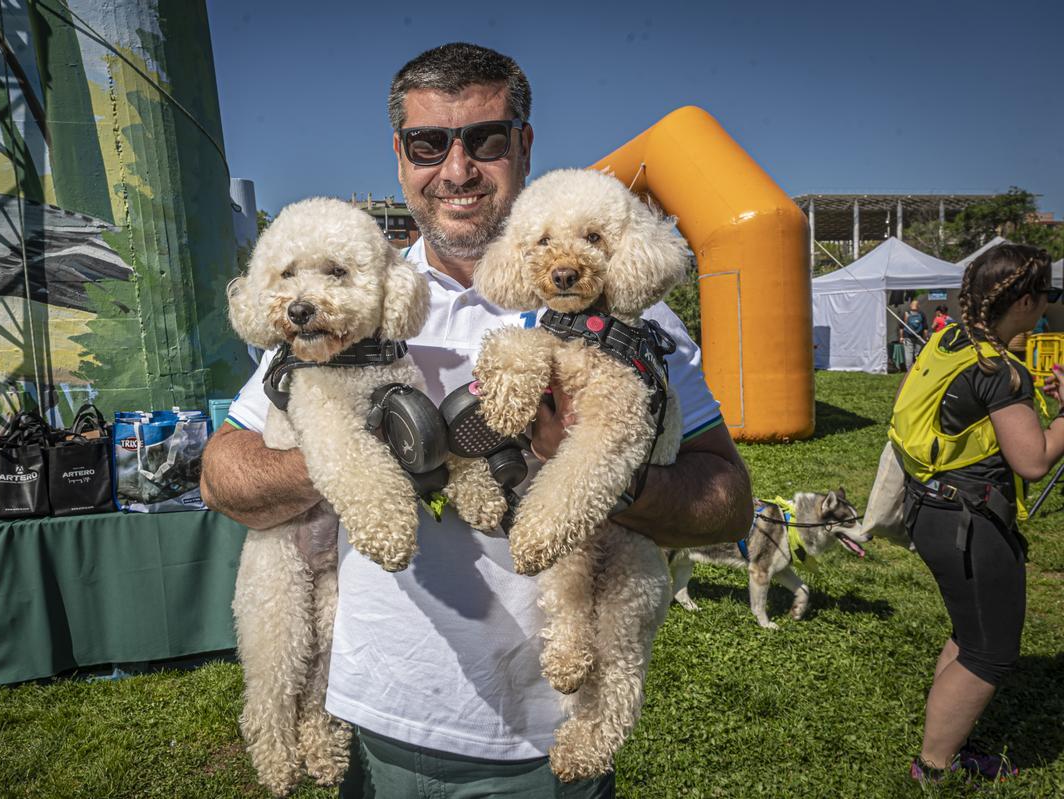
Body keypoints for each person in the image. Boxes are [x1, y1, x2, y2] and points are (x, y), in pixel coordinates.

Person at [201, 43, 753, 798]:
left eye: (485, 138)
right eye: (430, 143)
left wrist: (603, 472)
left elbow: (728, 501)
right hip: (379, 724)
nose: (456, 169)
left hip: (545, 740)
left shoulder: (624, 307)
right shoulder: (351, 291)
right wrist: (338, 456)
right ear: (401, 158)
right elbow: (224, 475)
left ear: (523, 144)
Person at [889, 244, 1064, 785]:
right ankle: (936, 767)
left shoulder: (951, 340)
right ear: (1026, 300)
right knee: (989, 652)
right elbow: (1033, 461)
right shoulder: (1002, 371)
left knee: (971, 634)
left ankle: (946, 743)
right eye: (1045, 300)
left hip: (933, 507)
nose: (1046, 311)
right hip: (970, 522)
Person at [900, 298, 930, 368]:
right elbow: (925, 328)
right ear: (918, 306)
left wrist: (901, 337)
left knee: (908, 355)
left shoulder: (906, 313)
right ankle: (917, 370)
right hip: (918, 337)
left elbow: (901, 327)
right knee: (918, 355)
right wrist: (925, 339)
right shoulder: (922, 314)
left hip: (908, 337)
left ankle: (909, 372)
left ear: (910, 305)